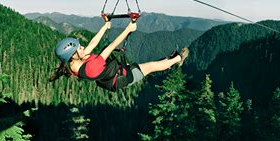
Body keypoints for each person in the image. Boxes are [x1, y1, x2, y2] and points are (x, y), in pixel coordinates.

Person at [50, 21, 189, 91]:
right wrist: (128, 29)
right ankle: (178, 59)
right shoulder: (90, 68)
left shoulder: (74, 62)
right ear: (72, 54)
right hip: (122, 77)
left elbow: (92, 43)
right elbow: (112, 46)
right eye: (79, 47)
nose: (83, 48)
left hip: (115, 72)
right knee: (151, 66)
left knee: (150, 65)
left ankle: (169, 59)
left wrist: (105, 26)